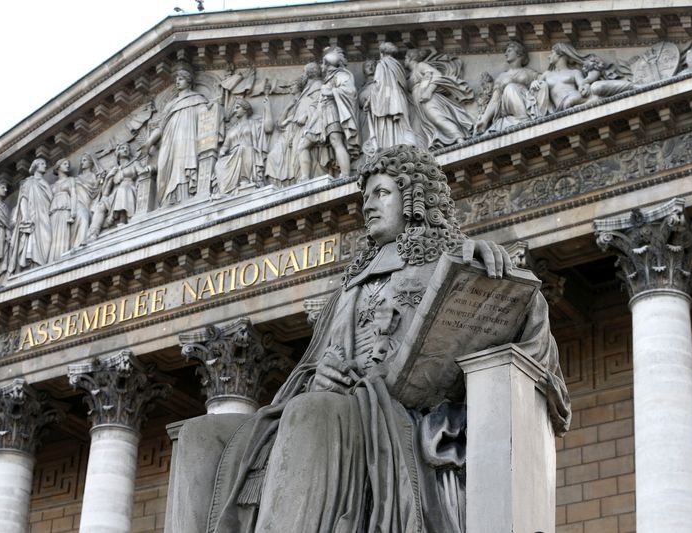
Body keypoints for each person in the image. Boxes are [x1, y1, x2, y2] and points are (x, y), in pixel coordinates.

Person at [200, 144, 571, 533]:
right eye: (364, 197)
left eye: (381, 193)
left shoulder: (454, 265)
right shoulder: (348, 288)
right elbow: (307, 370)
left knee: (313, 412)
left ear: (414, 198)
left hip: (402, 419)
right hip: (337, 409)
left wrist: (494, 275)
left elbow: (532, 343)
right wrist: (316, 377)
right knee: (203, 437)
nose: (367, 206)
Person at [142, 67, 210, 207]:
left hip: (188, 137)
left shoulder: (197, 99)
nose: (177, 82)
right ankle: (168, 197)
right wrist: (149, 142)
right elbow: (161, 127)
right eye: (176, 80)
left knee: (183, 163)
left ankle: (183, 197)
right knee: (165, 166)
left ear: (188, 81)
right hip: (169, 141)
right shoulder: (170, 105)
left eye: (181, 79)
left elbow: (207, 118)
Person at [299, 46, 360, 180]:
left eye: (323, 62)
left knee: (336, 141)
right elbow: (319, 105)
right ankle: (304, 178)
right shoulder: (327, 80)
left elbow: (350, 91)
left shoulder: (341, 75)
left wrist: (331, 92)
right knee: (303, 144)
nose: (321, 66)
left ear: (328, 64)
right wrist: (310, 126)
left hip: (332, 113)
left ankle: (345, 175)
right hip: (320, 117)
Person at [265, 63, 324, 183]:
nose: (302, 74)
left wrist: (304, 116)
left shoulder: (317, 86)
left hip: (306, 127)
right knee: (283, 157)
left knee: (300, 152)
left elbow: (319, 103)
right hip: (294, 131)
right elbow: (280, 123)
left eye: (304, 72)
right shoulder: (302, 96)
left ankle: (304, 178)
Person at [405, 48, 475, 149]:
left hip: (427, 98)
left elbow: (437, 75)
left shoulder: (420, 66)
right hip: (418, 104)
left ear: (410, 58)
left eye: (405, 58)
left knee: (438, 118)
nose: (404, 60)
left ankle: (460, 139)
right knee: (422, 128)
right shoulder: (410, 75)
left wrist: (429, 91)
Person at [475, 41, 539, 134]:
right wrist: (484, 120)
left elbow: (545, 79)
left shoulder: (529, 72)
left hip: (527, 102)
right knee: (510, 88)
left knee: (511, 87)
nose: (505, 54)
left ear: (519, 53)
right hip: (508, 106)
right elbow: (495, 100)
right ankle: (523, 119)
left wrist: (536, 82)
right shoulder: (502, 77)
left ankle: (525, 118)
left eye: (509, 51)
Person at [213, 97, 273, 196]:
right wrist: (222, 151)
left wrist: (267, 108)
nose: (235, 110)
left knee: (244, 148)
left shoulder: (254, 124)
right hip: (233, 156)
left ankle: (245, 180)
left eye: (237, 107)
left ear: (245, 109)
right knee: (218, 164)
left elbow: (269, 128)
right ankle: (227, 189)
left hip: (249, 152)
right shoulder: (232, 130)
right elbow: (225, 146)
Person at [364, 42, 416, 150]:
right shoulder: (398, 65)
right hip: (400, 98)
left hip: (388, 99)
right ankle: (408, 143)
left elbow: (378, 85)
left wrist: (369, 100)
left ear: (381, 53)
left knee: (389, 123)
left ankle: (391, 146)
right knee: (403, 122)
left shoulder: (382, 64)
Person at [9, 158, 52, 273]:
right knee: (35, 239)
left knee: (46, 238)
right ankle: (34, 265)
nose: (45, 166)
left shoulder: (45, 183)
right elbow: (24, 199)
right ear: (36, 166)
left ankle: (42, 264)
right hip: (34, 214)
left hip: (45, 214)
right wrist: (25, 216)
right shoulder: (29, 182)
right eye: (42, 164)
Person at [106, 143, 149, 225]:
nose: (125, 150)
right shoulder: (115, 169)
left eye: (127, 148)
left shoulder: (134, 163)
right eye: (122, 148)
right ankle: (113, 217)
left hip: (131, 187)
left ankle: (123, 217)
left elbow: (142, 171)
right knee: (120, 190)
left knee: (123, 189)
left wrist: (150, 168)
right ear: (118, 152)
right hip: (115, 193)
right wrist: (108, 177)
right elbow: (106, 191)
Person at [71, 153, 105, 247]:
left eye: (85, 160)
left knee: (87, 217)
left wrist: (100, 180)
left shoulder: (94, 176)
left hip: (89, 202)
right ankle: (81, 242)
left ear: (91, 162)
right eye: (81, 160)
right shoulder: (76, 178)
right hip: (78, 202)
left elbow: (96, 190)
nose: (82, 162)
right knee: (84, 218)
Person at [48, 158, 77, 262]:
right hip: (53, 212)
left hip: (65, 209)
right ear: (58, 167)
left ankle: (62, 258)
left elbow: (73, 195)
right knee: (53, 237)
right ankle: (52, 261)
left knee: (63, 235)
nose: (67, 166)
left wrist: (73, 213)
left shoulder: (70, 180)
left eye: (68, 164)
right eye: (65, 164)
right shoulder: (52, 186)